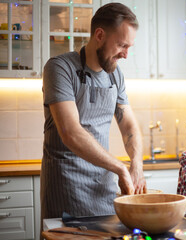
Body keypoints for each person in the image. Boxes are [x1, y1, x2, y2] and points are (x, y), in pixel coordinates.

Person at [41, 3, 146, 222]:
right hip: (67, 188)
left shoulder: (115, 75)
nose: (126, 54)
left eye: (130, 47)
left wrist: (136, 163)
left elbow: (129, 126)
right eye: (121, 45)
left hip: (103, 190)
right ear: (99, 35)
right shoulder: (60, 68)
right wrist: (120, 167)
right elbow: (71, 132)